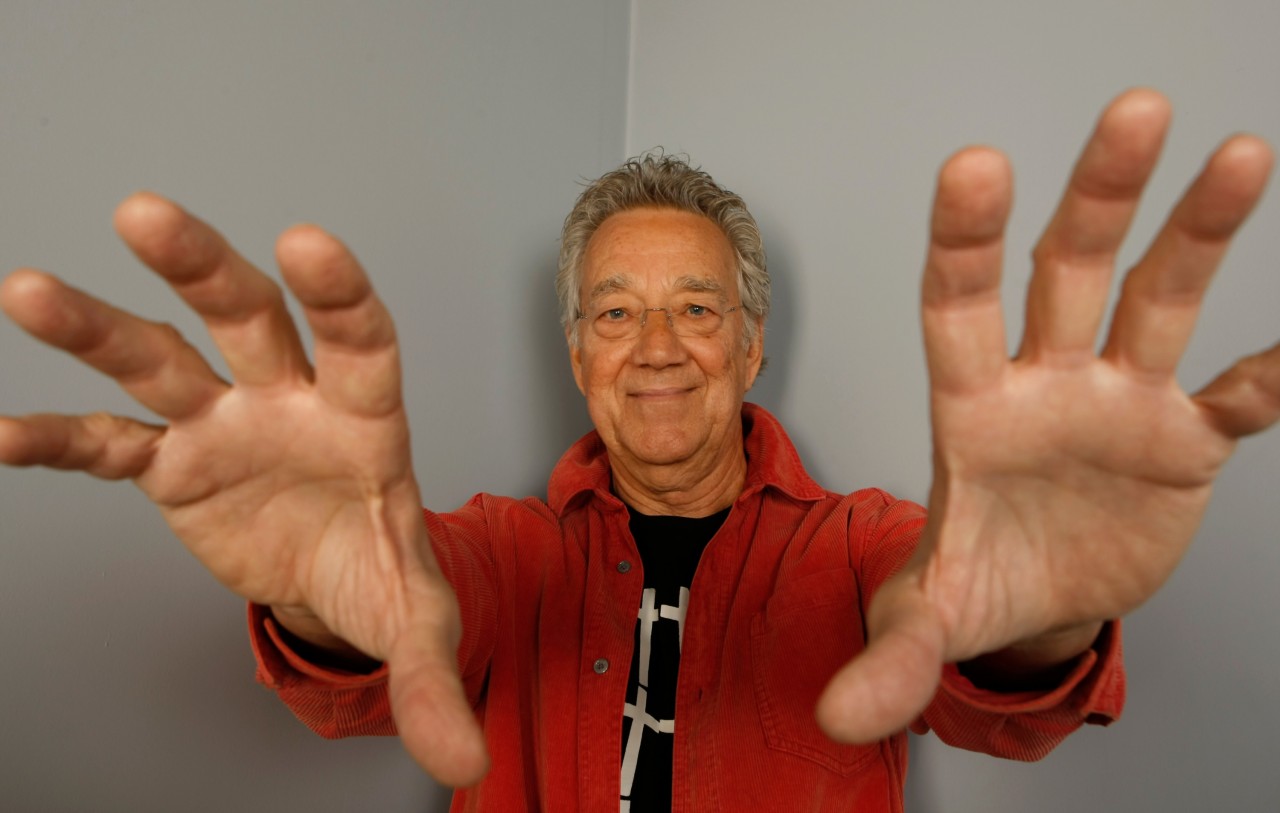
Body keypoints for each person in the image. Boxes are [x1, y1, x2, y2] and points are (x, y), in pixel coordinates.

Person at [0, 88, 1276, 811]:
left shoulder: (862, 546)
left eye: (696, 307)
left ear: (750, 344)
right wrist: (304, 588)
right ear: (576, 354)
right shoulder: (505, 550)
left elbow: (965, 642)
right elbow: (405, 610)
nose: (655, 343)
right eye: (615, 310)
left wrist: (1039, 619)